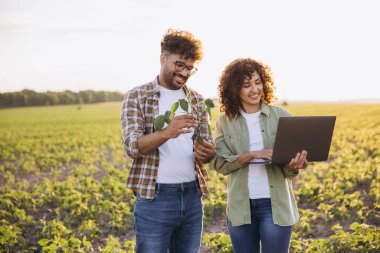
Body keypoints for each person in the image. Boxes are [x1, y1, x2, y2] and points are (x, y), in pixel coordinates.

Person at [120, 29, 215, 253]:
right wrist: (167, 132)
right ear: (163, 58)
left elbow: (208, 149)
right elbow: (132, 146)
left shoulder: (198, 100)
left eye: (190, 68)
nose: (184, 72)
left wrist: (207, 152)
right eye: (179, 64)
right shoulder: (137, 96)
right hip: (155, 197)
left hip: (192, 195)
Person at [213, 58, 308, 253]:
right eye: (246, 85)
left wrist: (293, 167)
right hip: (241, 207)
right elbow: (220, 164)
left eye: (258, 82)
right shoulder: (225, 122)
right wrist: (250, 155)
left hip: (275, 206)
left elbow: (288, 172)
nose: (254, 89)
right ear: (234, 89)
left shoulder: (282, 116)